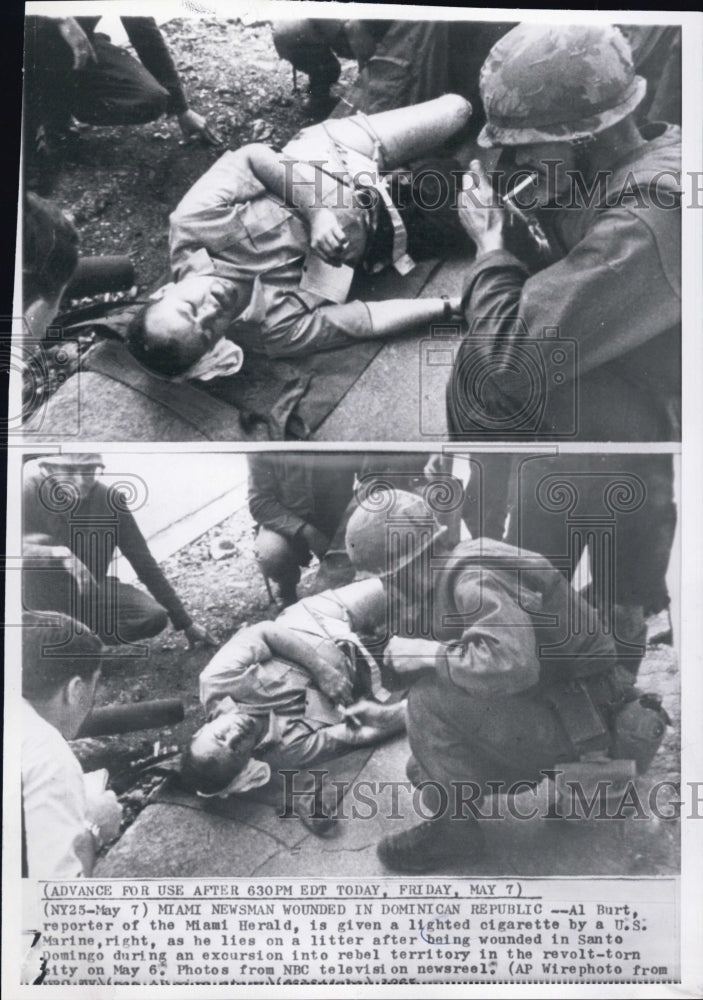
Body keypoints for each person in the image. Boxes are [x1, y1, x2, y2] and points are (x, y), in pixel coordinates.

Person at [344, 490, 655, 873]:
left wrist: (427, 653)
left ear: (406, 567)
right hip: (570, 707)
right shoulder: (458, 568)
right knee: (423, 768)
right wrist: (393, 713)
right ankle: (555, 781)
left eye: (386, 579)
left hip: (586, 720)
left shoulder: (474, 577)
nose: (388, 590)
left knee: (428, 700)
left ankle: (456, 835)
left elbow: (513, 664)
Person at [447, 24, 681, 442]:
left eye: (530, 143)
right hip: (654, 366)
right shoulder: (636, 159)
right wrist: (520, 237)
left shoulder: (648, 215)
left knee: (482, 381)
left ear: (585, 135)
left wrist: (490, 250)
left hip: (677, 406)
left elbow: (507, 365)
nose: (518, 158)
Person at [127, 94, 470, 378]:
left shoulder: (192, 224)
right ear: (214, 345)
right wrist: (446, 307)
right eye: (205, 332)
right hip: (385, 221)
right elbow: (363, 321)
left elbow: (253, 157)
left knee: (458, 110)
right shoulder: (271, 333)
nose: (210, 310)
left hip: (334, 155)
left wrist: (317, 213)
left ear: (167, 290)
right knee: (480, 202)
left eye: (189, 307)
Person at [180, 581, 406, 799]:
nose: (235, 735)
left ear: (200, 731)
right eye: (237, 750)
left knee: (407, 583)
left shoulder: (216, 681)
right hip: (366, 669)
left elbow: (265, 631)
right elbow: (356, 734)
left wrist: (322, 670)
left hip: (319, 621)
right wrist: (411, 711)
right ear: (246, 763)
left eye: (221, 737)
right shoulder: (285, 752)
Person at [22, 453, 215, 648]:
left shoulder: (110, 500)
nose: (81, 481)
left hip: (89, 592)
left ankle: (80, 643)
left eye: (89, 471)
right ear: (49, 469)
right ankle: (49, 644)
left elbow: (143, 562)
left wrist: (185, 622)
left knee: (152, 616)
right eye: (70, 471)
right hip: (36, 596)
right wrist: (57, 555)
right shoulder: (27, 491)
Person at [24, 15, 221, 191]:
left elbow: (144, 33)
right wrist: (60, 18)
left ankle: (56, 113)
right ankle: (35, 131)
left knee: (149, 98)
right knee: (33, 183)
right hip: (29, 49)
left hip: (78, 50)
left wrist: (181, 109)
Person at [21, 612, 123, 878]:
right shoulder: (48, 757)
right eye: (94, 683)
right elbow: (56, 904)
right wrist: (93, 829)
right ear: (75, 689)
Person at [249, 452, 360, 607]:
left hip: (337, 520)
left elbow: (371, 480)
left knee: (333, 600)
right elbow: (259, 503)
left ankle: (340, 581)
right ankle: (286, 587)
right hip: (287, 523)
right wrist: (306, 531)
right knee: (271, 553)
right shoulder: (265, 439)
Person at [271, 19, 392, 120]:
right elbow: (364, 64)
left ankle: (317, 93)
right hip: (292, 40)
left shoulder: (353, 23)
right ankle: (315, 103)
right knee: (329, 69)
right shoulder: (355, 25)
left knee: (328, 66)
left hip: (293, 32)